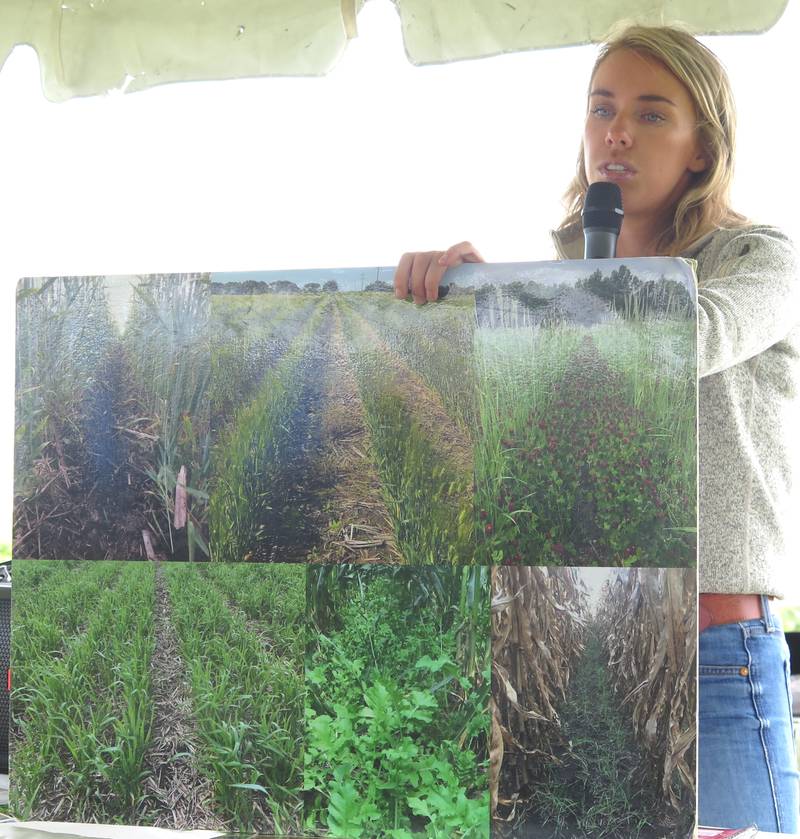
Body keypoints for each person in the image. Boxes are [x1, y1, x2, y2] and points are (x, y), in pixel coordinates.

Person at [393, 24, 800, 833]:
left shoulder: (761, 259)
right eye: (601, 109)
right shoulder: (557, 281)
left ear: (700, 147)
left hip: (718, 660)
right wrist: (459, 300)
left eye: (651, 114)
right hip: (568, 630)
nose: (615, 132)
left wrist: (519, 301)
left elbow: (686, 334)